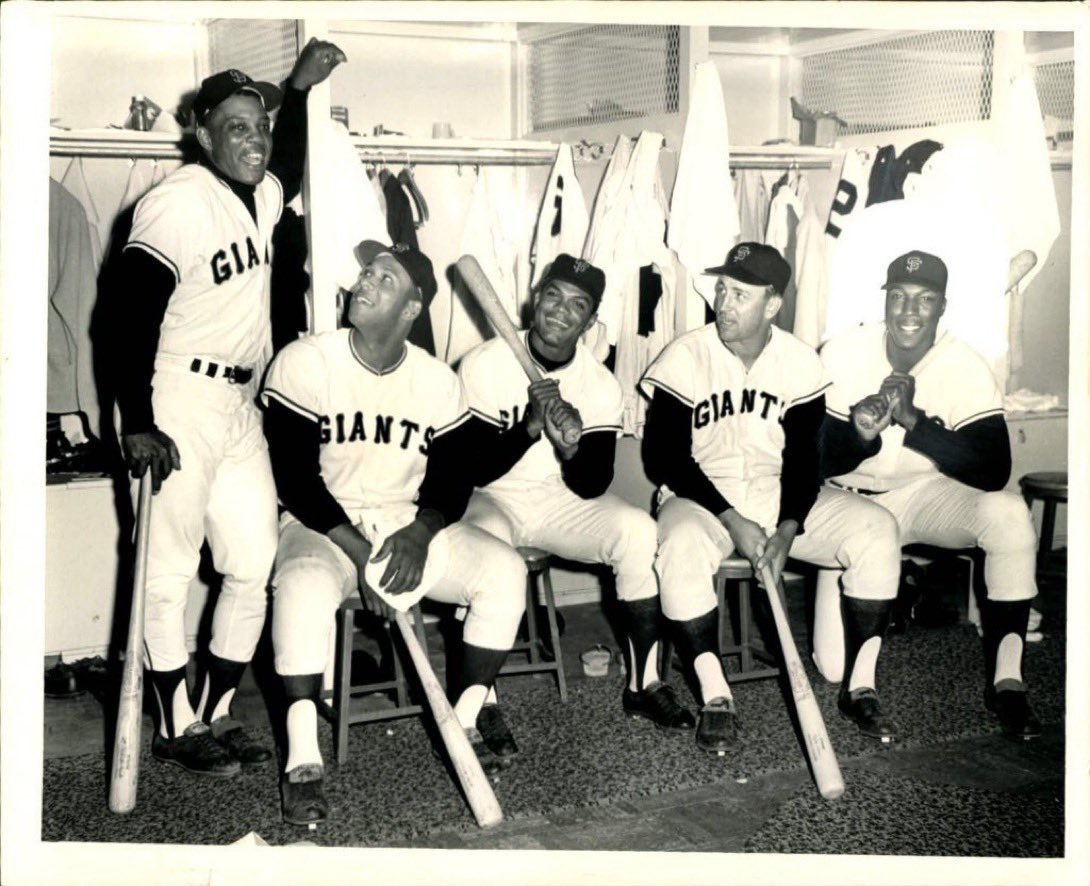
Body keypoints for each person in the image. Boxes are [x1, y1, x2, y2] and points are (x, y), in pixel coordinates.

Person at [113, 40, 347, 777]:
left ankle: (214, 710)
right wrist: (139, 420)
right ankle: (175, 722)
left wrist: (297, 90)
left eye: (260, 126)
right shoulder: (176, 202)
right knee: (167, 571)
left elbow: (289, 168)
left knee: (252, 562)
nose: (254, 139)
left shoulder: (261, 195)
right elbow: (125, 319)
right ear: (203, 135)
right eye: (236, 126)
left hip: (240, 402)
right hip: (175, 396)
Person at [261, 240, 527, 826]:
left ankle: (461, 723)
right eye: (367, 272)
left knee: (505, 571)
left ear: (412, 308)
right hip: (324, 525)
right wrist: (364, 556)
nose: (365, 283)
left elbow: (453, 478)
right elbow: (296, 481)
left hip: (406, 521)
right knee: (301, 587)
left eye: (385, 279)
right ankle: (302, 760)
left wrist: (422, 532)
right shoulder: (305, 360)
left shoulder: (435, 379)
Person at [640, 242, 903, 754]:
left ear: (773, 304)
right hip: (699, 495)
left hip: (777, 489)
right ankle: (716, 696)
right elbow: (664, 457)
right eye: (721, 289)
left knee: (877, 527)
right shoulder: (685, 354)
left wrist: (787, 529)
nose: (723, 303)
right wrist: (732, 519)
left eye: (740, 294)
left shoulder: (799, 361)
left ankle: (861, 686)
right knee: (680, 545)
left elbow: (806, 461)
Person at [456, 254, 695, 760]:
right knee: (483, 551)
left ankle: (644, 683)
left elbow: (592, 484)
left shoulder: (600, 384)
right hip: (491, 496)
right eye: (553, 296)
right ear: (535, 298)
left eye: (577, 305)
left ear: (590, 322)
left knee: (637, 530)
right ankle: (480, 704)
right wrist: (529, 427)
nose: (560, 311)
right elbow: (470, 469)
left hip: (558, 499)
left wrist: (570, 448)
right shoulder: (484, 363)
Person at [818, 249, 1041, 740]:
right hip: (844, 502)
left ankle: (1008, 682)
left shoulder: (965, 363)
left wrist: (915, 422)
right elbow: (812, 461)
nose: (909, 311)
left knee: (1007, 513)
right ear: (884, 302)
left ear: (942, 306)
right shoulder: (842, 352)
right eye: (898, 296)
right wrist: (860, 433)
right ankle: (869, 650)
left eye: (924, 299)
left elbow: (993, 470)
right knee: (832, 665)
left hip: (921, 494)